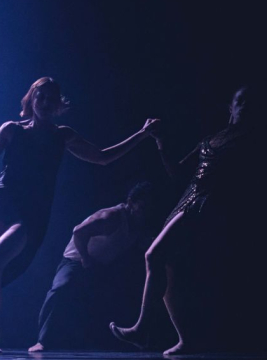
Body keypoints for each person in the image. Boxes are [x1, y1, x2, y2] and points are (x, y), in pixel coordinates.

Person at [0, 77, 159, 358]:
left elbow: (102, 157)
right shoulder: (12, 129)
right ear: (31, 100)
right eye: (41, 97)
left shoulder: (63, 135)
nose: (46, 102)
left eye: (51, 98)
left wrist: (142, 135)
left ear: (59, 104)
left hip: (31, 212)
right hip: (0, 202)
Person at [111, 86, 259, 357]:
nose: (246, 105)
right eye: (241, 100)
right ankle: (185, 339)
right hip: (189, 204)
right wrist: (161, 141)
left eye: (253, 101)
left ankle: (143, 329)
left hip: (214, 208)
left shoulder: (254, 139)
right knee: (166, 264)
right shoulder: (212, 140)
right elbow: (179, 173)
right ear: (230, 107)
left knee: (155, 255)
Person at [28, 182, 154, 353]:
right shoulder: (111, 217)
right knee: (60, 289)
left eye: (148, 210)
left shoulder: (140, 224)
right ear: (131, 202)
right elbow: (78, 232)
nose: (144, 214)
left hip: (102, 265)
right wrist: (85, 258)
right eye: (142, 208)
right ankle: (42, 341)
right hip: (76, 259)